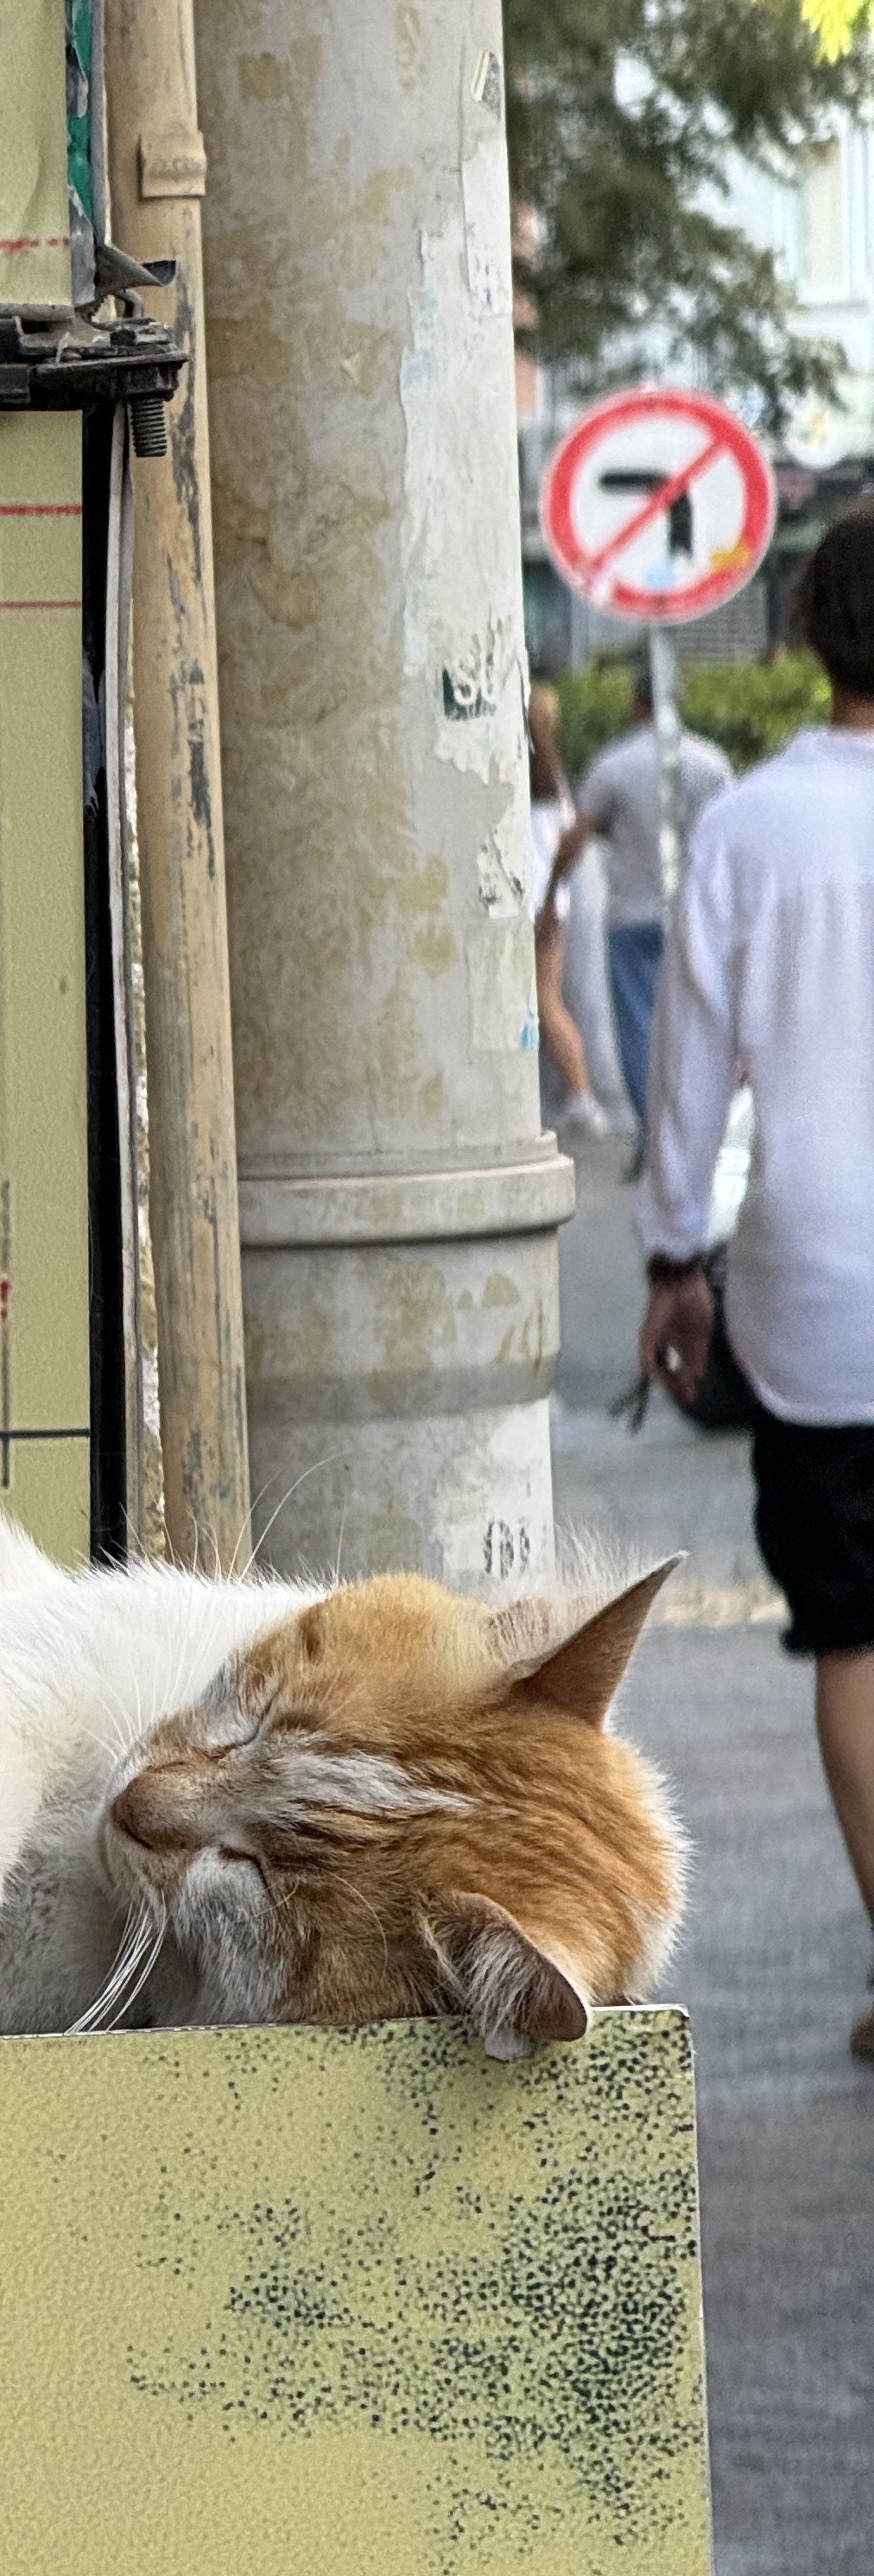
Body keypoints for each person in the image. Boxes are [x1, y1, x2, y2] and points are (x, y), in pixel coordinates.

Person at [638, 503, 874, 2060]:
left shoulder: (749, 826)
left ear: (801, 637)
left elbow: (684, 1076)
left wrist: (674, 1259)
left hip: (818, 1304)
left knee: (852, 1642)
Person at [555, 661, 733, 1130]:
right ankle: (696, 1125)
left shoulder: (614, 764)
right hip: (695, 913)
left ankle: (653, 1130)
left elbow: (575, 835)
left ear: (637, 704)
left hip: (632, 915)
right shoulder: (711, 762)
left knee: (638, 1027)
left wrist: (552, 886)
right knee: (695, 1025)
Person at [526, 681, 598, 1124]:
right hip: (552, 901)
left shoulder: (530, 779)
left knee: (546, 1001)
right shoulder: (554, 779)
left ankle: (580, 1093)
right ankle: (573, 1094)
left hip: (538, 904)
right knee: (544, 1000)